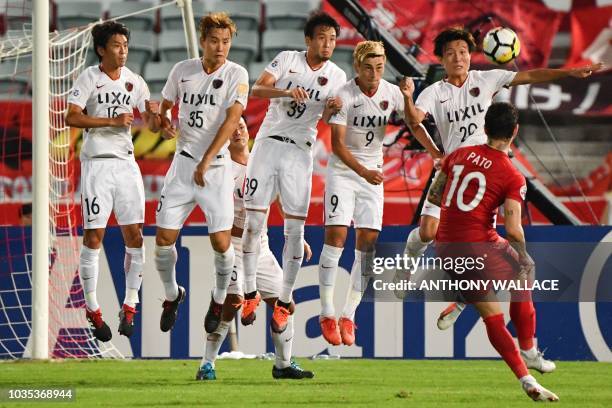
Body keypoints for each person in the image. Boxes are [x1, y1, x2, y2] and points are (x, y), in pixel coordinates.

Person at [399, 27, 603, 329]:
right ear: (441, 58)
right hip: (452, 171)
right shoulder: (433, 92)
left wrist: (569, 73)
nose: (458, 57)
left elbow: (531, 76)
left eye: (463, 51)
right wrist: (418, 120)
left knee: (484, 249)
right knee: (428, 231)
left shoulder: (486, 79)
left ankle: (462, 302)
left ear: (471, 55)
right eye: (451, 53)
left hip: (485, 176)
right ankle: (407, 263)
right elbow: (415, 119)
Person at [429, 102, 558, 401]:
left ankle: (526, 380)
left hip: (446, 245)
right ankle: (528, 350)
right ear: (515, 131)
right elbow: (513, 229)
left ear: (484, 128)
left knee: (491, 316)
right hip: (479, 243)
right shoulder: (512, 175)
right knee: (525, 268)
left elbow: (436, 195)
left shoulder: (459, 154)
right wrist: (522, 253)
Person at [240, 11, 346, 334]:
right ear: (309, 40)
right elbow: (257, 90)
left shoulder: (337, 75)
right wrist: (286, 93)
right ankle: (248, 292)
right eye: (322, 38)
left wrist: (332, 110)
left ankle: (283, 301)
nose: (327, 44)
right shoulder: (288, 60)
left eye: (332, 39)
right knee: (254, 222)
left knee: (295, 231)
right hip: (268, 144)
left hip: (300, 152)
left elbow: (328, 119)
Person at [197, 117, 315, 380]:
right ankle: (207, 363)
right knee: (233, 303)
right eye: (232, 129)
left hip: (260, 245)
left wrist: (298, 237)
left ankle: (282, 364)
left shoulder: (262, 162)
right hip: (233, 245)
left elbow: (282, 201)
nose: (238, 132)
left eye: (242, 127)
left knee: (286, 305)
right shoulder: (221, 167)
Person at [154, 12, 249, 335]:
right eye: (214, 41)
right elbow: (164, 108)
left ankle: (218, 298)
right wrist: (163, 123)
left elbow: (232, 121)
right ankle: (172, 295)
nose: (221, 47)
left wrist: (207, 161)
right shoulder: (182, 70)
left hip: (217, 169)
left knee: (222, 244)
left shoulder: (237, 74)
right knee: (163, 242)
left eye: (226, 41)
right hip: (183, 167)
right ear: (203, 41)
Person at [66, 21, 159, 341]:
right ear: (102, 50)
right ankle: (92, 308)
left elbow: (153, 124)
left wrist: (160, 119)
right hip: (96, 166)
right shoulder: (89, 78)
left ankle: (130, 305)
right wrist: (111, 120)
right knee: (94, 236)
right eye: (117, 46)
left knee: (135, 235)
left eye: (125, 46)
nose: (123, 51)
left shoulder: (136, 82)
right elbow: (71, 116)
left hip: (126, 165)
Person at [317, 41, 412, 346]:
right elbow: (338, 146)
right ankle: (327, 313)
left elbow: (414, 121)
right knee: (336, 236)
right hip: (345, 173)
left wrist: (409, 99)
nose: (374, 73)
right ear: (357, 67)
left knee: (368, 243)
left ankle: (349, 314)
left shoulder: (391, 93)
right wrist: (364, 173)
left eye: (380, 67)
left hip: (373, 173)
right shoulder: (344, 96)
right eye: (368, 67)